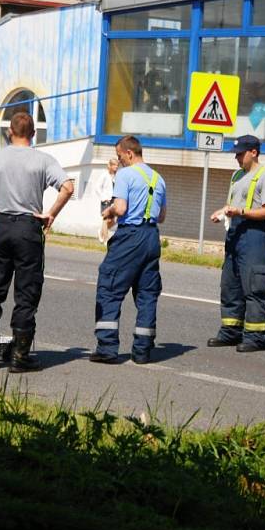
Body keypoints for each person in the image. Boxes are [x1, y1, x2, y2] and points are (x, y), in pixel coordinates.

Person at [0, 112, 74, 394]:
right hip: (28, 227)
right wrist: (50, 214)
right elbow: (68, 187)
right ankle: (20, 357)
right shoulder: (43, 160)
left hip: (1, 226)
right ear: (33, 133)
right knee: (26, 292)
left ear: (10, 132)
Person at [91, 135, 167, 365]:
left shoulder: (125, 175)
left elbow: (121, 207)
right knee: (146, 294)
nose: (119, 160)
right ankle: (142, 351)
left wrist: (109, 212)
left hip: (130, 237)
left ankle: (107, 349)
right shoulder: (159, 178)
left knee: (109, 286)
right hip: (152, 237)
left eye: (119, 155)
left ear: (129, 153)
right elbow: (161, 216)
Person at [207, 134, 265, 352]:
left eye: (240, 154)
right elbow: (231, 204)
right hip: (235, 234)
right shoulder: (237, 175)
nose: (236, 158)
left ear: (253, 152)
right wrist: (222, 212)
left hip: (255, 236)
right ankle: (230, 332)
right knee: (230, 285)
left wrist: (242, 212)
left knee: (255, 286)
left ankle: (256, 337)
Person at [94, 158, 119, 244]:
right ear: (111, 166)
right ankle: (106, 239)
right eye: (115, 165)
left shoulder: (116, 176)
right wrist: (102, 197)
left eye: (117, 165)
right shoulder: (104, 175)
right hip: (106, 200)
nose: (116, 167)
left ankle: (101, 231)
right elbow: (97, 187)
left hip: (113, 201)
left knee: (112, 220)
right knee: (105, 219)